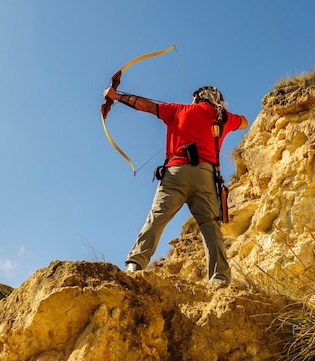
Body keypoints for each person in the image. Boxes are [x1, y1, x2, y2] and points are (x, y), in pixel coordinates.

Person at [102, 85, 249, 285]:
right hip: (205, 177)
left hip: (176, 173)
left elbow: (146, 106)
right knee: (210, 227)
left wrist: (116, 96)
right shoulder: (222, 117)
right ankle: (220, 279)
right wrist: (223, 110)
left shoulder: (179, 109)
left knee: (157, 218)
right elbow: (244, 122)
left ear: (196, 98)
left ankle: (134, 264)